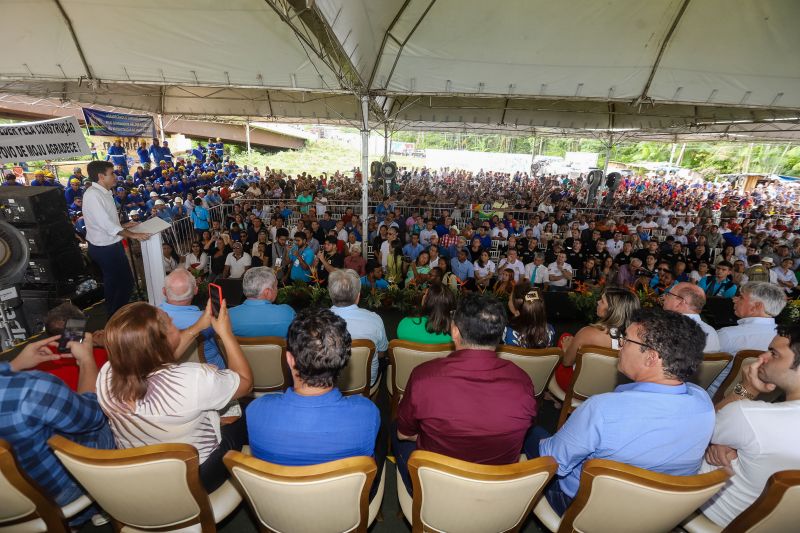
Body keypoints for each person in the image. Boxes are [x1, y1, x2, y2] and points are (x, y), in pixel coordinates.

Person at [526, 309, 714, 515]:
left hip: (585, 509)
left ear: (652, 357)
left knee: (532, 433)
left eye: (626, 341)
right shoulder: (703, 402)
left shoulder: (602, 411)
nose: (620, 347)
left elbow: (553, 461)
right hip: (657, 513)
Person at [96, 300, 253, 493]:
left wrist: (199, 326)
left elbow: (156, 358)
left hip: (139, 474)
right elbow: (245, 383)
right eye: (169, 322)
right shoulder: (193, 379)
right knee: (248, 411)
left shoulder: (106, 374)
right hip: (194, 479)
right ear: (161, 342)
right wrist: (226, 334)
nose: (173, 320)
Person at [394, 293, 536, 493]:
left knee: (394, 431)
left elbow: (403, 434)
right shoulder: (523, 382)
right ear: (501, 334)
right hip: (496, 490)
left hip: (436, 489)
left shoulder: (424, 377)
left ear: (454, 331)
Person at [247, 308, 384, 497]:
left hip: (278, 509)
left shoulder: (256, 411)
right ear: (343, 360)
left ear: (289, 359)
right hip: (343, 508)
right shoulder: (368, 414)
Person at [0, 333, 114, 527]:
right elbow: (93, 414)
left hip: (6, 506)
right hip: (53, 495)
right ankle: (108, 503)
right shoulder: (34, 387)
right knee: (109, 421)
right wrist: (86, 360)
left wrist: (14, 365)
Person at [698, 325, 800, 527]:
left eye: (774, 353)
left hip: (716, 512)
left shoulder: (750, 416)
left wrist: (747, 388)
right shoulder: (751, 419)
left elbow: (700, 430)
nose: (762, 357)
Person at [82, 160, 150, 316]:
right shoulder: (93, 195)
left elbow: (107, 221)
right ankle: (115, 316)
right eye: (111, 173)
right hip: (104, 247)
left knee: (120, 283)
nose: (115, 176)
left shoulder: (105, 192)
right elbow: (106, 224)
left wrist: (124, 225)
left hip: (112, 243)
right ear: (100, 176)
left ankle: (116, 314)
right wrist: (133, 235)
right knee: (122, 283)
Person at [707, 282, 787, 396]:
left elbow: (701, 371)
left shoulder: (728, 335)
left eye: (741, 297)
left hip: (720, 399)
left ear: (756, 306)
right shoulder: (788, 339)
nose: (734, 300)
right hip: (766, 402)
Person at [555, 287, 640, 391]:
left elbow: (567, 362)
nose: (597, 302)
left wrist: (566, 349)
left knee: (564, 337)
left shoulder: (587, 333)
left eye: (602, 301)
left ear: (611, 311)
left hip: (578, 387)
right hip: (611, 389)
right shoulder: (637, 341)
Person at [329, 269, 388, 386]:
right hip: (366, 383)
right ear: (358, 296)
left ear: (331, 295)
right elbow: (382, 353)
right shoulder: (375, 320)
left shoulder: (317, 323)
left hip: (329, 384)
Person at [159, 268, 226, 369]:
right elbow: (224, 346)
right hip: (211, 375)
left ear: (164, 291)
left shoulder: (149, 319)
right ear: (196, 290)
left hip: (169, 375)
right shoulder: (209, 321)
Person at [228, 267, 296, 337]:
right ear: (267, 292)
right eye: (276, 286)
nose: (277, 289)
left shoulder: (227, 316)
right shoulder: (287, 313)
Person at [661, 282, 721, 352]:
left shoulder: (668, 328)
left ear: (680, 302)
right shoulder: (712, 332)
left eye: (669, 294)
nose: (664, 297)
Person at [505, 283, 555, 348]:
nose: (508, 298)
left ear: (517, 312)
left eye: (509, 299)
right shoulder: (550, 331)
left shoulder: (509, 332)